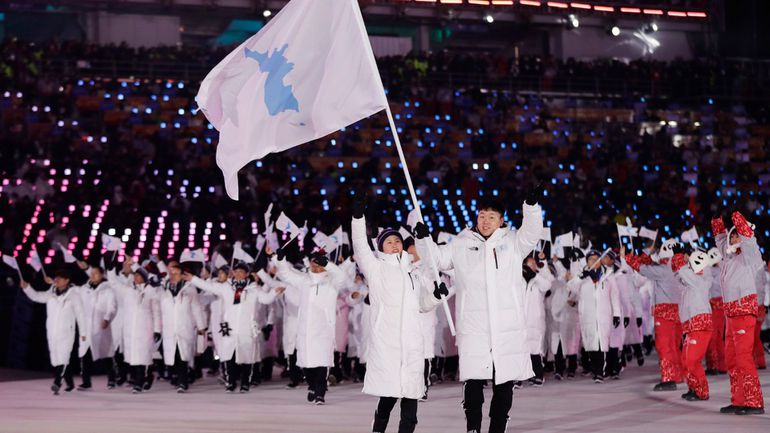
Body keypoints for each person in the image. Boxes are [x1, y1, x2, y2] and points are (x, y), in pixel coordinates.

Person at [415, 185, 543, 433]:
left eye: (492, 217)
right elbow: (435, 260)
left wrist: (531, 207)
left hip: (506, 327)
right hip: (474, 327)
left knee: (503, 383)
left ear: (501, 220)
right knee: (473, 381)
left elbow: (532, 231)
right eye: (482, 216)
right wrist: (423, 239)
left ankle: (497, 427)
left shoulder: (513, 242)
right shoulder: (461, 242)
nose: (486, 222)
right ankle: (473, 427)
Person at [351, 194, 443, 433]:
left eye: (397, 241)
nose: (394, 244)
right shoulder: (376, 268)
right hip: (388, 343)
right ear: (381, 247)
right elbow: (360, 247)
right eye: (388, 242)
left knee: (411, 405)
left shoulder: (413, 272)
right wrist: (358, 218)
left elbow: (421, 305)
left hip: (412, 345)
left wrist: (435, 295)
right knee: (388, 399)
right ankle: (378, 428)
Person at [183, 261, 283, 393]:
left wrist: (275, 293)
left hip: (246, 328)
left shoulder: (253, 289)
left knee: (247, 357)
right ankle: (230, 382)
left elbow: (265, 299)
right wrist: (193, 279)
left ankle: (245, 383)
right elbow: (209, 287)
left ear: (247, 274)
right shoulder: (226, 287)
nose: (238, 274)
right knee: (228, 356)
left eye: (242, 272)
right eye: (236, 272)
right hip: (229, 327)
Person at [274, 248, 350, 405]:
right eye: (313, 263)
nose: (316, 267)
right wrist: (280, 261)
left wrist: (328, 265)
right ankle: (312, 386)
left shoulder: (332, 281)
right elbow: (286, 275)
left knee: (322, 363)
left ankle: (320, 393)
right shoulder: (304, 280)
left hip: (323, 330)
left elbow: (342, 277)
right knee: (307, 364)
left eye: (319, 264)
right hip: (306, 330)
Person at [712, 211, 765, 415]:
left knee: (743, 358)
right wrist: (717, 221)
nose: (734, 238)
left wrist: (736, 218)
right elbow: (720, 240)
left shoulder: (751, 255)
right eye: (732, 235)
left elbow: (749, 238)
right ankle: (739, 399)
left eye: (737, 235)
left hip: (744, 312)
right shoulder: (729, 258)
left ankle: (754, 402)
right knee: (732, 359)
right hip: (731, 313)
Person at [625, 240, 685, 391]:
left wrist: (627, 256)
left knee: (664, 346)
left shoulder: (663, 269)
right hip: (679, 311)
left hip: (664, 311)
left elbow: (640, 267)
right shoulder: (681, 268)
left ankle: (668, 378)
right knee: (674, 345)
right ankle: (678, 375)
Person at [21, 270, 86, 395]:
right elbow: (36, 296)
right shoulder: (50, 294)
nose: (57, 280)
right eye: (56, 278)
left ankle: (57, 382)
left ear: (67, 280)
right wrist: (27, 288)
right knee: (57, 359)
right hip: (52, 331)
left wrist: (83, 333)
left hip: (66, 332)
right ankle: (70, 384)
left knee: (64, 356)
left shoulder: (74, 296)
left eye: (60, 278)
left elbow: (80, 315)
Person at [109, 259, 162, 394]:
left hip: (145, 328)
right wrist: (110, 269)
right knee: (133, 357)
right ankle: (145, 377)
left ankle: (139, 382)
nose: (135, 277)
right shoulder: (128, 290)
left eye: (138, 275)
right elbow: (114, 283)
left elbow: (156, 311)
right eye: (135, 275)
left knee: (143, 355)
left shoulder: (151, 291)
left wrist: (157, 330)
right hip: (130, 329)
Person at [672, 249, 713, 402]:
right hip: (690, 326)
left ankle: (702, 391)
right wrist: (683, 261)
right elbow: (678, 274)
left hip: (700, 325)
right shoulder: (690, 283)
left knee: (692, 360)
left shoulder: (702, 281)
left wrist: (679, 257)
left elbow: (682, 272)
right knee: (686, 360)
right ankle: (693, 388)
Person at [159, 262, 207, 393]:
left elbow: (196, 308)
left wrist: (201, 326)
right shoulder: (163, 289)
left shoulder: (189, 290)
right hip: (169, 328)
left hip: (184, 326)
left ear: (182, 274)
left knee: (182, 355)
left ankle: (183, 381)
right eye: (171, 272)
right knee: (172, 356)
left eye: (176, 272)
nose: (173, 275)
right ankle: (176, 377)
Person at [575, 250, 622, 383]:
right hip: (588, 317)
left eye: (596, 258)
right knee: (591, 346)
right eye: (591, 259)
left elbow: (615, 296)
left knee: (602, 345)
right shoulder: (583, 276)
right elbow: (571, 287)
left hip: (603, 316)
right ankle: (596, 370)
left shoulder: (608, 276)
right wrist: (580, 277)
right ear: (587, 261)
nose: (594, 261)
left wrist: (617, 314)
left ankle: (600, 373)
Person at [73, 263, 118, 390]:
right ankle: (86, 382)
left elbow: (112, 306)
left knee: (106, 354)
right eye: (91, 273)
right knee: (85, 355)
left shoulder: (108, 290)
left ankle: (111, 378)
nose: (93, 275)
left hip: (100, 326)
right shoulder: (85, 289)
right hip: (86, 328)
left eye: (96, 273)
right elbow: (74, 292)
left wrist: (107, 318)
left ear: (102, 275)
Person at [522, 253, 554, 387]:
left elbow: (547, 284)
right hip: (521, 321)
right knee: (522, 350)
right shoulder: (519, 280)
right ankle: (521, 377)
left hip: (535, 321)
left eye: (533, 265)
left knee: (536, 349)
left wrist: (535, 274)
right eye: (529, 265)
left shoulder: (539, 280)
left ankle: (538, 375)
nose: (531, 267)